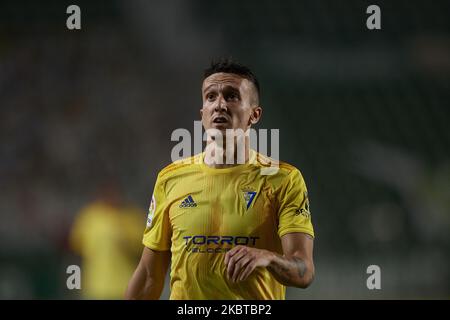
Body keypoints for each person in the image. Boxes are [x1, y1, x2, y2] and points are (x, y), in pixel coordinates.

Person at [125, 59, 315, 300]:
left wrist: (268, 257)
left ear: (254, 115)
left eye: (232, 96)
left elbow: (304, 271)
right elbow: (150, 274)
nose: (220, 105)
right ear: (202, 113)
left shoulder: (283, 179)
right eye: (211, 96)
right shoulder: (170, 178)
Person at [70, 179, 145, 299]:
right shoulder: (89, 217)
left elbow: (145, 249)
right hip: (95, 287)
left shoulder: (132, 217)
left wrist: (126, 242)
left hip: (125, 286)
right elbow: (76, 248)